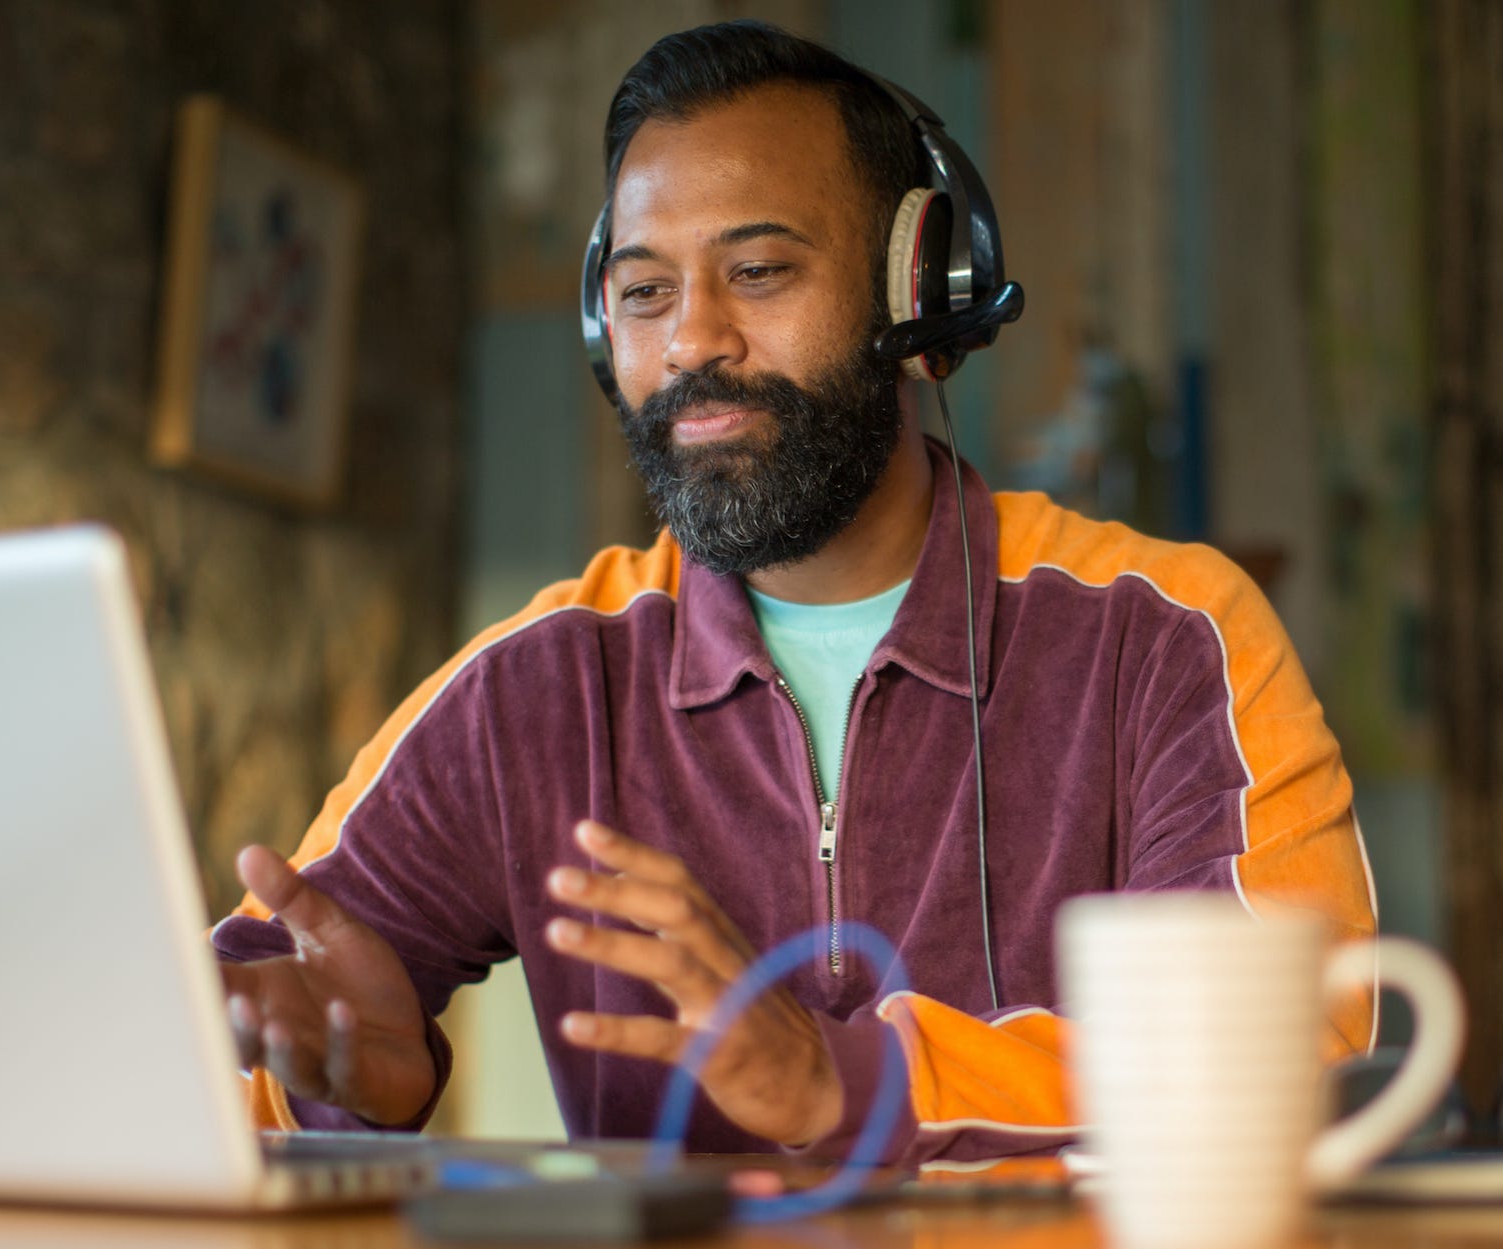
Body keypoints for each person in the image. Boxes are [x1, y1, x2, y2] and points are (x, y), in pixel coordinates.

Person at [210, 20, 1377, 1165]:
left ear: (920, 292)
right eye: (644, 291)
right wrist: (346, 1091)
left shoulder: (1163, 633)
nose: (692, 342)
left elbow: (1292, 1055)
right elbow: (245, 1031)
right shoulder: (541, 684)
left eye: (758, 271)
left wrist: (843, 1081)